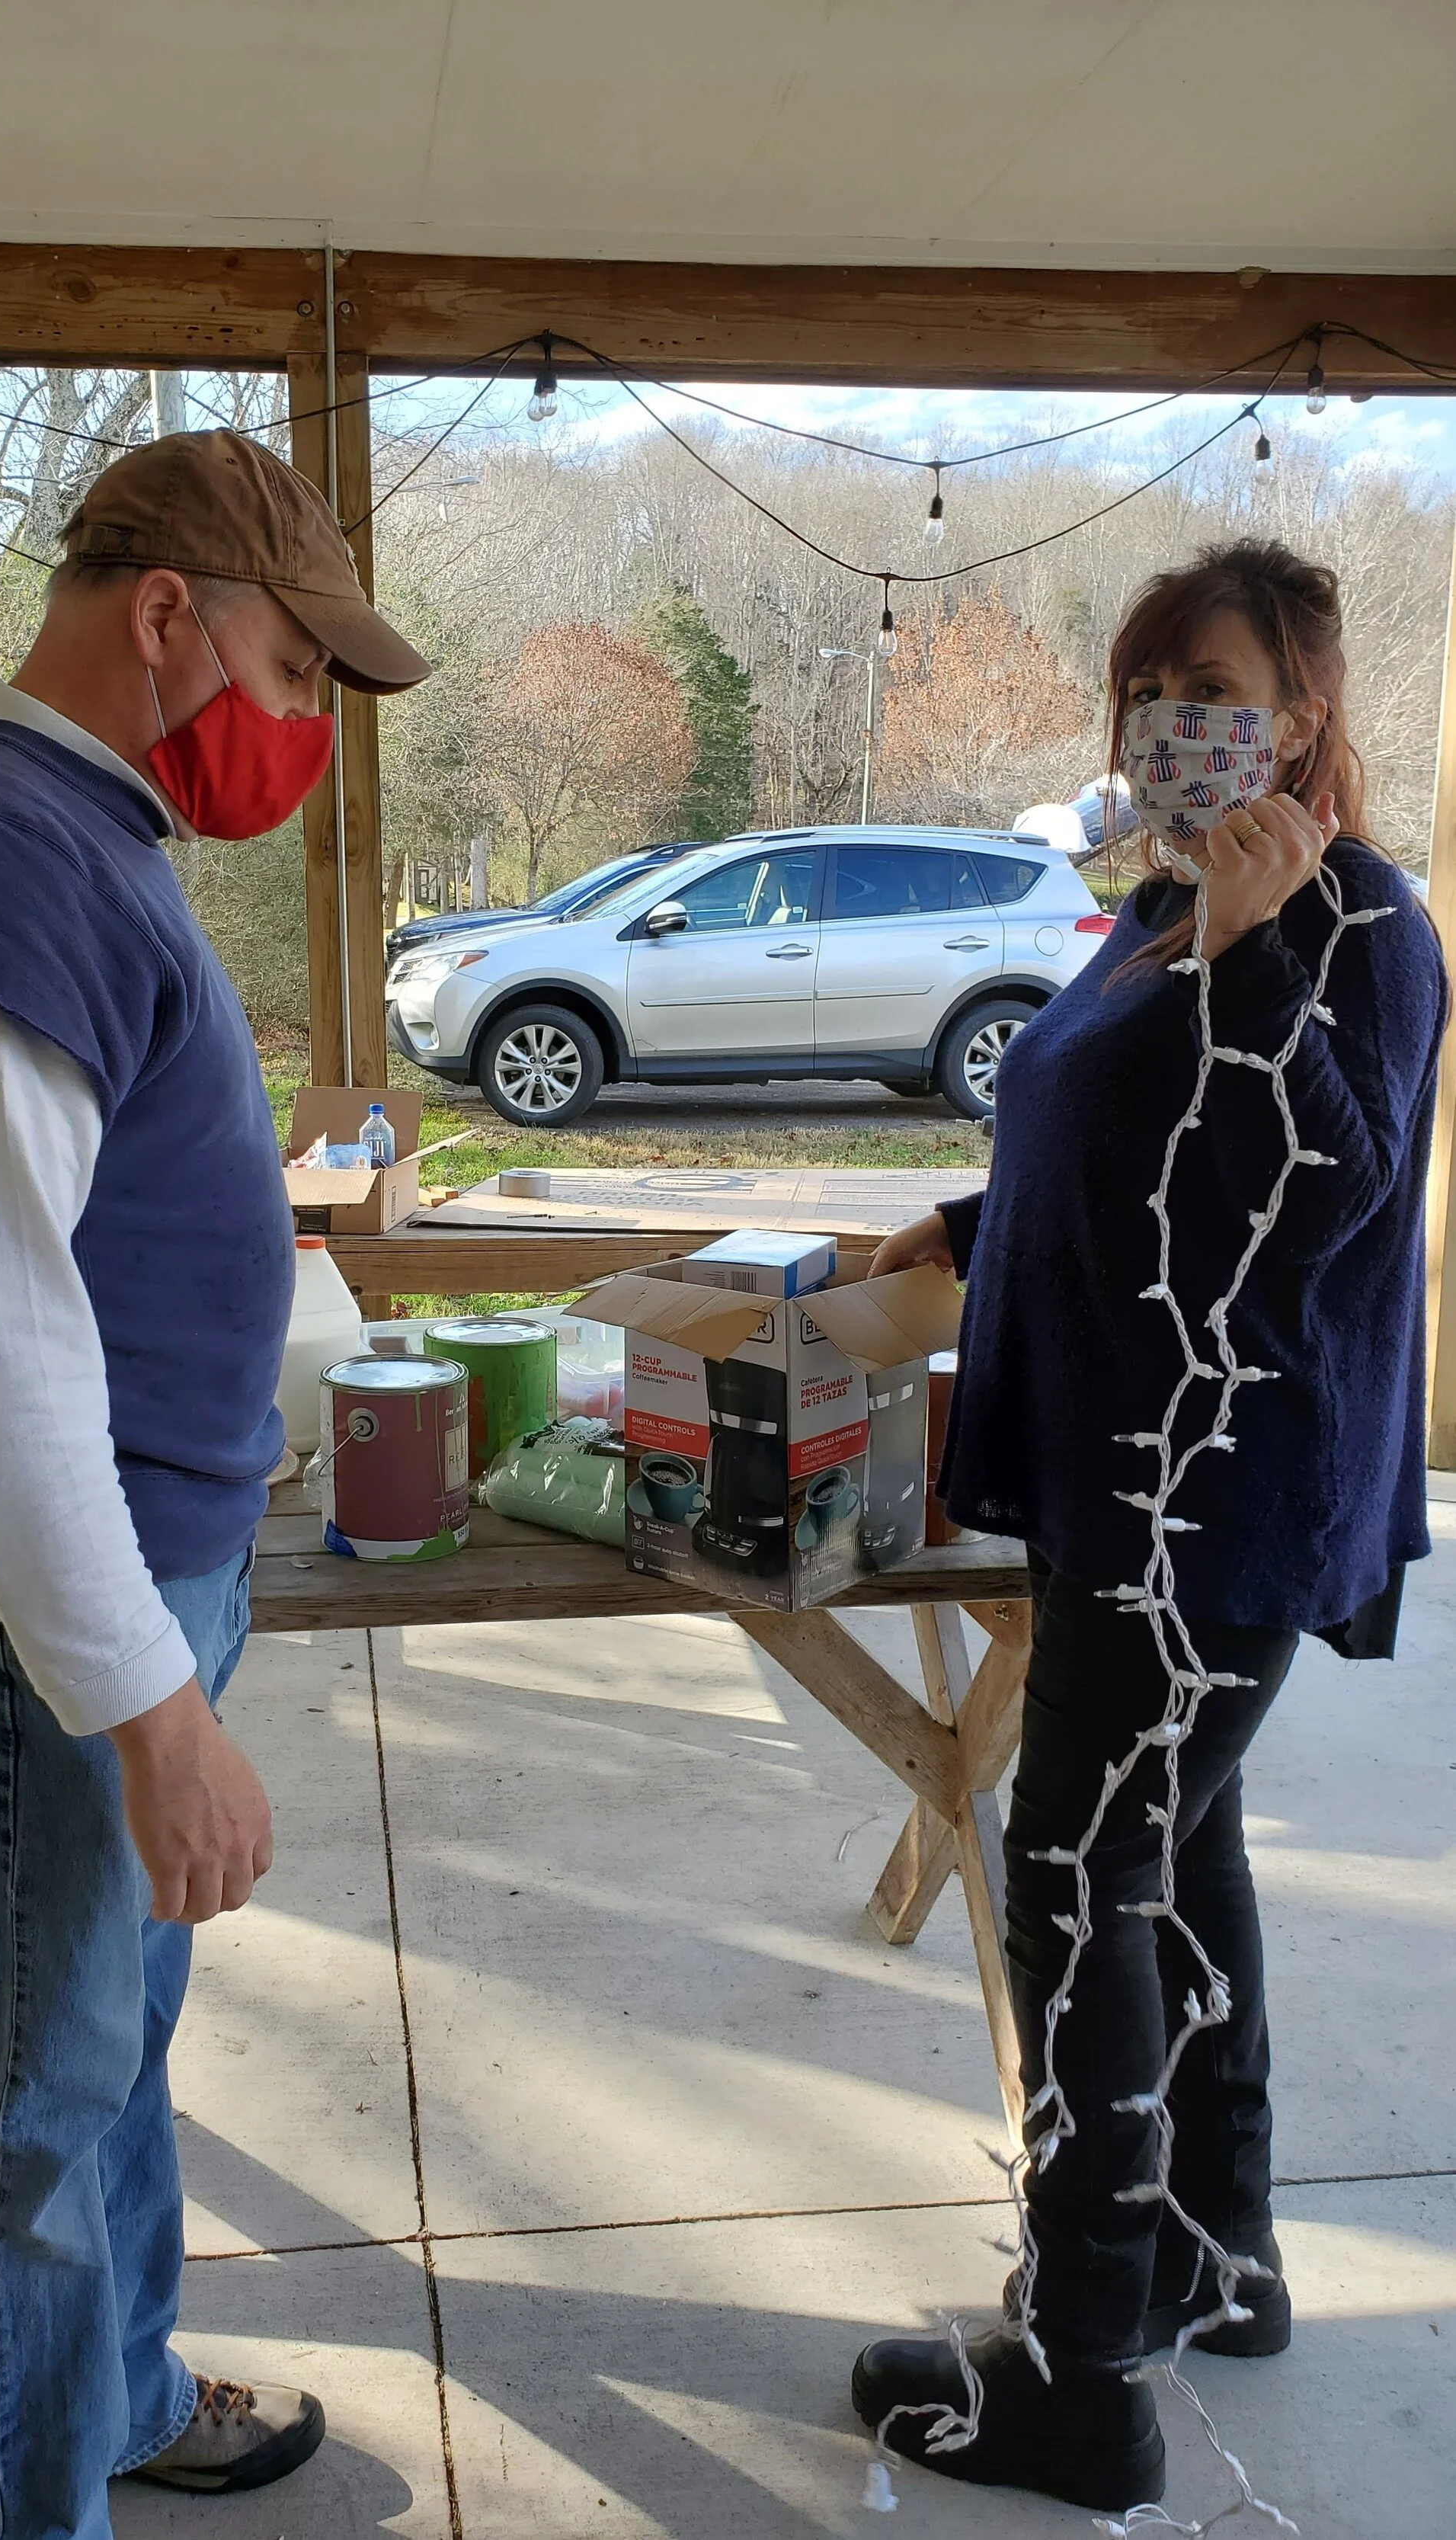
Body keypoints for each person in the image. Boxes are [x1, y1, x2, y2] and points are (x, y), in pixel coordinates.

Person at [0, 430, 430, 2538]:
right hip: (25, 1621)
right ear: (168, 616)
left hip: (103, 1586)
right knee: (29, 2120)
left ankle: (114, 2392)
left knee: (98, 2046)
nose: (305, 723)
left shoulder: (68, 832)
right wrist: (149, 1709)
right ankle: (13, 2500)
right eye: (295, 666)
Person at [851, 541, 1445, 2513]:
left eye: (1206, 679)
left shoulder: (1355, 923)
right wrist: (934, 1238)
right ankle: (1217, 2249)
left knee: (1072, 1869)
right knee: (1169, 1850)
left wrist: (1258, 945)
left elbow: (1326, 1184)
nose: (1164, 719)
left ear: (1302, 709)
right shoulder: (1150, 910)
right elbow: (1095, 1142)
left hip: (1214, 1500)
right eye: (1139, 688)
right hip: (1122, 1474)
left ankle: (1077, 2365)